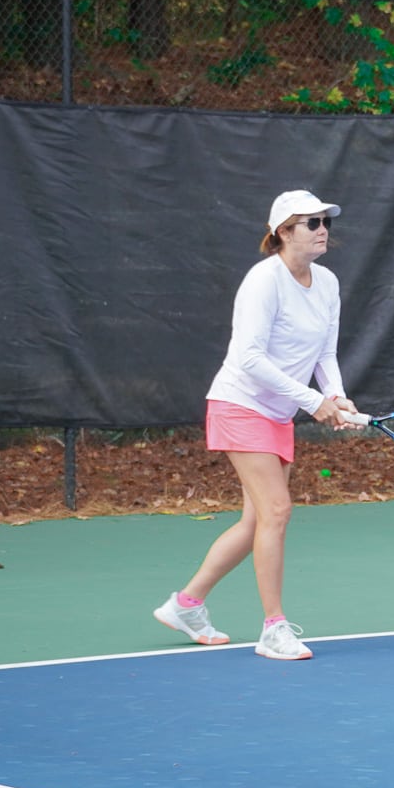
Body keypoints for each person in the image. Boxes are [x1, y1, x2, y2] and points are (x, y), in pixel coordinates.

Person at [154, 189, 361, 659]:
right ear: (283, 232)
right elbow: (248, 357)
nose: (323, 229)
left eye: (325, 221)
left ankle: (186, 605)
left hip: (277, 413)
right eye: (311, 223)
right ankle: (273, 629)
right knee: (278, 511)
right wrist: (313, 401)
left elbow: (325, 353)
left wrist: (334, 395)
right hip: (239, 405)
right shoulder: (263, 281)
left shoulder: (327, 283)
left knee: (257, 521)